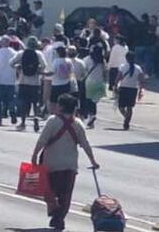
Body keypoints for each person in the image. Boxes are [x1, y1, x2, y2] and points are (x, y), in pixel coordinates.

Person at [31, 94, 99, 231]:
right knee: (65, 195)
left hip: (52, 165)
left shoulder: (53, 121)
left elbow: (42, 140)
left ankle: (56, 214)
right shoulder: (78, 123)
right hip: (70, 165)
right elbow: (85, 144)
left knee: (49, 192)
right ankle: (59, 217)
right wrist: (93, 160)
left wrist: (34, 155)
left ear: (60, 106)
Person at [12, 36, 49, 131]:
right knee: (35, 102)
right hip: (35, 82)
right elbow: (44, 65)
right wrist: (38, 69)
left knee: (24, 102)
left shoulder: (21, 53)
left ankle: (23, 122)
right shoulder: (39, 54)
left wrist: (18, 66)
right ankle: (36, 117)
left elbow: (11, 63)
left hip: (23, 81)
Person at [0, 36, 19, 126]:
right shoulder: (14, 53)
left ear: (0, 43)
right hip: (11, 80)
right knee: (11, 99)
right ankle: (12, 111)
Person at [116, 51, 145, 130]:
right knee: (130, 107)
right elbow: (141, 80)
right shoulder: (138, 68)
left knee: (121, 106)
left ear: (126, 58)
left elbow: (119, 77)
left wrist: (115, 86)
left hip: (124, 88)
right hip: (133, 89)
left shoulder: (123, 67)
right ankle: (127, 120)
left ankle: (126, 119)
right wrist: (141, 90)